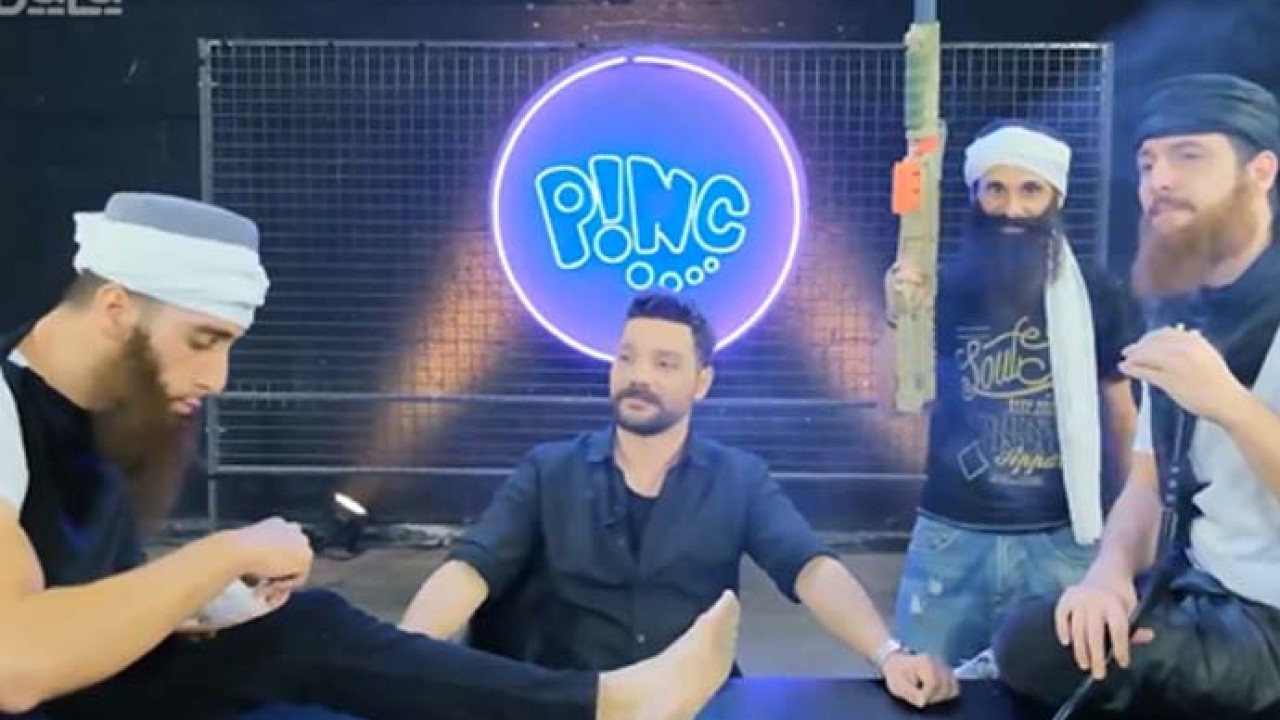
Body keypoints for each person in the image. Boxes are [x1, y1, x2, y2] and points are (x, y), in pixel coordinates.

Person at [0, 191, 740, 720]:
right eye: (203, 341)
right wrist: (222, 554)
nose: (217, 378)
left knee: (302, 634)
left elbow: (81, 605)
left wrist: (195, 607)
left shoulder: (95, 417)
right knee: (300, 639)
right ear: (115, 308)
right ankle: (611, 705)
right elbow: (18, 661)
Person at [399, 291, 959, 709]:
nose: (638, 376)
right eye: (627, 358)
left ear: (702, 382)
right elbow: (470, 570)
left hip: (696, 702)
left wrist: (887, 653)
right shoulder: (548, 471)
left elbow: (811, 568)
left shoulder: (739, 478)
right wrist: (395, 660)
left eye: (664, 364)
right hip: (581, 702)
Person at [992, 73, 1280, 718]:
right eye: (1148, 162)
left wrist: (1229, 403)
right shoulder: (1179, 309)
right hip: (1195, 591)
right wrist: (1108, 575)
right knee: (1035, 638)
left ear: (1261, 171)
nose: (1160, 180)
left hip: (1269, 619)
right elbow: (1147, 485)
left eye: (1189, 155)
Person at [882, 120, 1140, 668]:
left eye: (1030, 190)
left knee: (1057, 697)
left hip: (1063, 541)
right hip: (952, 539)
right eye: (995, 189)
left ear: (1055, 198)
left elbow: (1121, 414)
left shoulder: (1097, 293)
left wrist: (1125, 531)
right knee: (921, 691)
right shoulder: (942, 289)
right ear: (974, 195)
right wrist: (899, 316)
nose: (1012, 208)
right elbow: (895, 403)